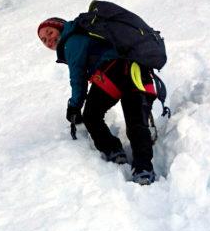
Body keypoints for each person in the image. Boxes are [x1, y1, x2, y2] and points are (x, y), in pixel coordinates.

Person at [37, 15, 157, 185]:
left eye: (49, 32)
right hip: (138, 71)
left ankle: (114, 152)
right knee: (136, 121)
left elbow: (77, 77)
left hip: (113, 73)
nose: (48, 40)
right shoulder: (85, 34)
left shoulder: (72, 40)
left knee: (91, 116)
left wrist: (74, 106)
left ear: (61, 27)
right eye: (43, 40)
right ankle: (144, 169)